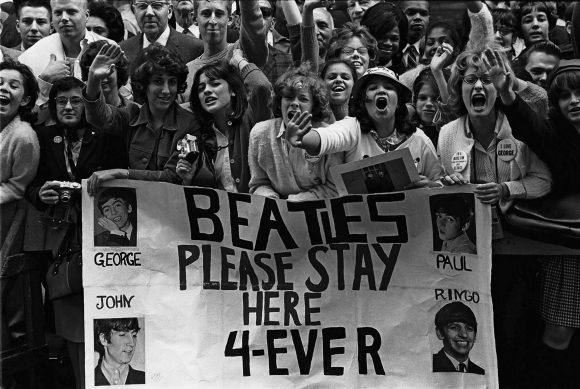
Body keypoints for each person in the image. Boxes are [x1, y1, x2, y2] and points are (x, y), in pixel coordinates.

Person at [25, 76, 127, 389]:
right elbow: (30, 184)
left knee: (110, 315)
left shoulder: (107, 135)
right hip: (61, 240)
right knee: (69, 311)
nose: (69, 107)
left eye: (76, 100)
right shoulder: (42, 136)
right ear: (52, 106)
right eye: (61, 101)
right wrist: (40, 194)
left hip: (105, 238)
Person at [496, 58, 580, 388]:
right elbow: (528, 127)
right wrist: (506, 93)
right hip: (566, 243)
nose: (574, 100)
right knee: (558, 334)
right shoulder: (554, 136)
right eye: (565, 95)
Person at [84, 43, 212, 194]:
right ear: (144, 85)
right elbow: (99, 117)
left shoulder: (189, 123)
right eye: (158, 81)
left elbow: (173, 177)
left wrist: (121, 173)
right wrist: (93, 78)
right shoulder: (132, 114)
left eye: (172, 82)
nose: (166, 91)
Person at [285, 66, 444, 187]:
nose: (381, 91)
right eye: (373, 88)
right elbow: (329, 137)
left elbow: (440, 183)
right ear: (363, 101)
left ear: (399, 102)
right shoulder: (353, 128)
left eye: (388, 88)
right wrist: (303, 138)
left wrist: (430, 186)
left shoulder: (420, 140)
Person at [182, 49, 272, 192]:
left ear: (233, 90)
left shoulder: (252, 117)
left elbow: (261, 86)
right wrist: (187, 178)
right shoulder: (201, 132)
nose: (206, 91)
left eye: (215, 84)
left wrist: (239, 61)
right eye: (201, 88)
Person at [249, 64, 342, 200]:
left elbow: (334, 188)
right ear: (279, 102)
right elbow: (258, 184)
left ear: (314, 106)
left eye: (303, 99)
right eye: (288, 97)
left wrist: (296, 201)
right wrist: (271, 199)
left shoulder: (329, 136)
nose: (294, 103)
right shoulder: (259, 133)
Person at [18, 0, 115, 107]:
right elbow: (24, 110)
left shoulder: (109, 48)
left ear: (86, 15)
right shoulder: (32, 54)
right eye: (58, 13)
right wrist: (45, 80)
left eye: (71, 11)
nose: (64, 18)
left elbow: (124, 99)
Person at [183, 0, 269, 101]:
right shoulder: (187, 71)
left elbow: (254, 28)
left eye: (219, 14)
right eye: (206, 14)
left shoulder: (240, 52)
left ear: (230, 19)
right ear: (194, 18)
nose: (213, 20)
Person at [0, 58, 39, 245]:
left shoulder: (24, 136)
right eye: (0, 83)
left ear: (25, 100)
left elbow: (16, 187)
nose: (4, 88)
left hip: (4, 219)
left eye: (13, 86)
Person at [120, 0, 203, 75]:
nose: (149, 12)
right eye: (142, 6)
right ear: (134, 10)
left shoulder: (195, 48)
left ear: (170, 11)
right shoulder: (123, 50)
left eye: (157, 6)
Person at [432, 302, 485, 375]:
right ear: (440, 333)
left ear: (475, 336)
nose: (464, 334)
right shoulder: (430, 365)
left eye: (469, 328)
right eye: (454, 328)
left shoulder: (480, 372)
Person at [94, 317, 145, 386]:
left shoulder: (144, 379)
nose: (132, 343)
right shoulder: (89, 379)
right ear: (104, 339)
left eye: (134, 335)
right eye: (122, 335)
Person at [79, 40, 131, 107]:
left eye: (107, 68)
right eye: (95, 69)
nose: (101, 75)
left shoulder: (136, 111)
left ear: (119, 71)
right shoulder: (78, 112)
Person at [361, 1, 408, 73]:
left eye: (394, 39)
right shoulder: (352, 70)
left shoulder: (403, 78)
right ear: (367, 34)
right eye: (382, 37)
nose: (388, 43)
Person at [400, 0, 430, 71]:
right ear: (399, 16)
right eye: (411, 13)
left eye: (423, 13)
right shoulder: (390, 48)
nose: (418, 17)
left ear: (429, 19)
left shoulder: (435, 51)